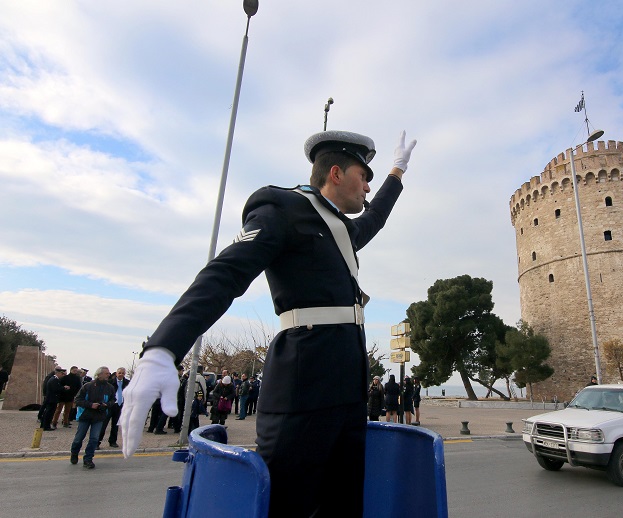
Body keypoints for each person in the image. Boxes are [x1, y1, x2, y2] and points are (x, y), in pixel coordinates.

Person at [120, 129, 417, 517]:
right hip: (303, 385)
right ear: (336, 173)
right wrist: (162, 349)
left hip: (348, 387)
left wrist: (398, 171)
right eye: (365, 176)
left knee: (344, 504)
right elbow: (225, 273)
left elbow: (375, 217)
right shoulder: (282, 208)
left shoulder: (340, 229)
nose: (367, 186)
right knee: (286, 504)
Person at [71, 366, 116, 469]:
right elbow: (78, 400)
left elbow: (112, 400)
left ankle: (88, 459)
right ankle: (74, 452)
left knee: (94, 438)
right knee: (79, 438)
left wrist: (106, 405)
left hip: (99, 416)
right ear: (99, 374)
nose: (108, 375)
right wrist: (90, 405)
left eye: (108, 373)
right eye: (106, 373)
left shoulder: (110, 388)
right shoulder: (88, 386)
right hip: (85, 415)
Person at [99, 367, 130, 448]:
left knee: (115, 425)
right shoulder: (110, 382)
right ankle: (97, 442)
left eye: (123, 373)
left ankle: (112, 441)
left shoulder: (127, 382)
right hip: (110, 405)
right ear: (116, 373)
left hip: (120, 406)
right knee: (103, 425)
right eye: (119, 373)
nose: (121, 374)